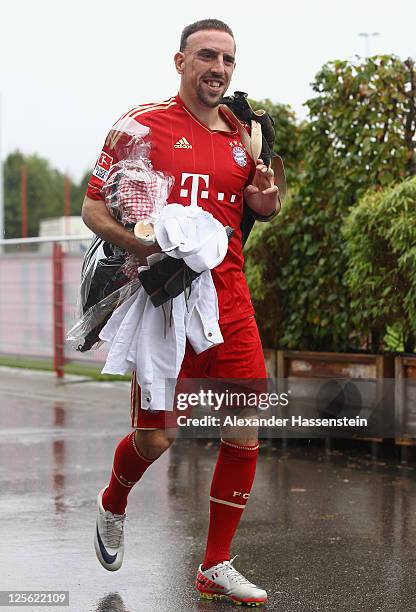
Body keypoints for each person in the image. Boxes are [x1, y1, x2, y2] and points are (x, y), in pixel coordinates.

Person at [82, 18, 280, 607]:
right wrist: (143, 246)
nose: (218, 69)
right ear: (180, 62)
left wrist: (266, 199)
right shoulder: (140, 124)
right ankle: (112, 503)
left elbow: (264, 201)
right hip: (163, 301)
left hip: (228, 296)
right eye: (207, 57)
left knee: (245, 429)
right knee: (157, 437)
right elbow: (94, 208)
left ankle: (215, 564)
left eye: (228, 60)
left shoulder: (247, 132)